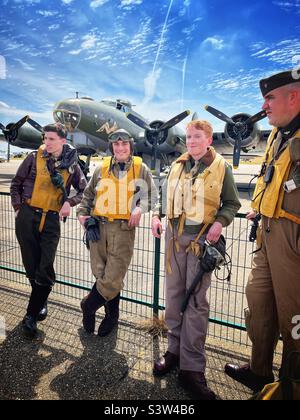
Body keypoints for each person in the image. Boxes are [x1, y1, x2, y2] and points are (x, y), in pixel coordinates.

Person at [151, 120, 241, 400]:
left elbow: (232, 203)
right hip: (173, 240)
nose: (190, 141)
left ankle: (192, 368)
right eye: (188, 136)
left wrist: (221, 222)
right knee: (174, 297)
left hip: (200, 242)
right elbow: (163, 197)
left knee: (196, 304)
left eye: (197, 137)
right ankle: (173, 351)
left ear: (209, 139)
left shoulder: (221, 167)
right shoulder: (177, 164)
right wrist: (156, 214)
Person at [224, 70, 300, 393]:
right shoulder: (277, 134)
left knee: (294, 319)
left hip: (293, 239)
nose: (263, 105)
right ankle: (259, 371)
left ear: (293, 97)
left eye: (270, 98)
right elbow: (272, 177)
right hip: (266, 230)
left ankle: (291, 387)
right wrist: (257, 206)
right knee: (258, 302)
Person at [77, 129, 158, 337]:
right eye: (116, 145)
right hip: (98, 228)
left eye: (124, 144)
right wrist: (82, 215)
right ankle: (112, 316)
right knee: (101, 273)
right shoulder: (101, 169)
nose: (120, 148)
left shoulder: (140, 169)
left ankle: (88, 306)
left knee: (112, 278)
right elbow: (87, 195)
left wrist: (141, 208)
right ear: (112, 147)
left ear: (130, 146)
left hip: (122, 230)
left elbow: (151, 195)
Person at [10, 123, 87, 337]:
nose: (47, 142)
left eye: (52, 139)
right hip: (27, 216)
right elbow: (16, 184)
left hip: (52, 219)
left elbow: (84, 189)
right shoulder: (33, 157)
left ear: (63, 140)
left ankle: (31, 315)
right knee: (30, 265)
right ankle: (40, 302)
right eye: (45, 138)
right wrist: (18, 208)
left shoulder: (72, 164)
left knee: (45, 266)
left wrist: (68, 203)